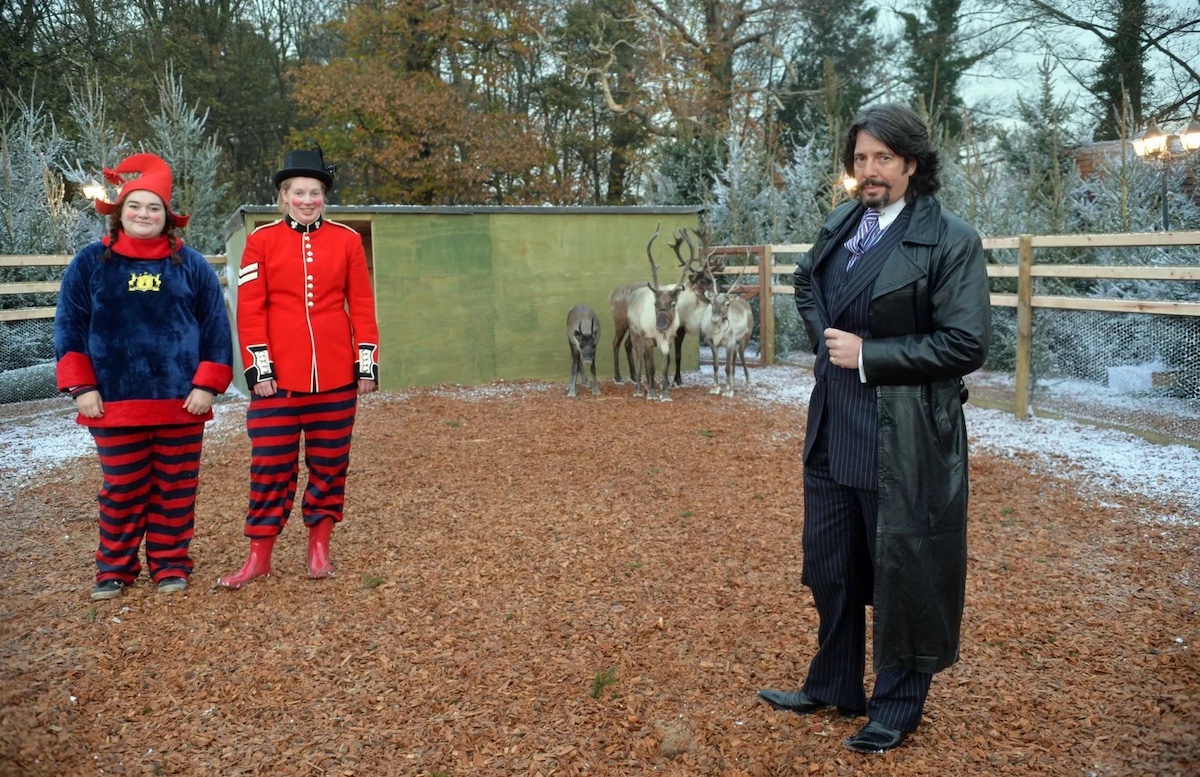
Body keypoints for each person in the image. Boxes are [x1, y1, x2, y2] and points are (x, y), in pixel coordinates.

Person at [758, 103, 991, 754]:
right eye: (860, 158)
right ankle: (834, 684)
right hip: (834, 427)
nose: (870, 170)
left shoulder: (950, 240)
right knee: (832, 566)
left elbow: (967, 342)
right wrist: (826, 342)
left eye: (883, 158)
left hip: (904, 436)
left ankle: (896, 708)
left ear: (912, 163)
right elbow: (806, 281)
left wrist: (869, 356)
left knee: (902, 573)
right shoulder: (842, 223)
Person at [55, 152, 234, 601]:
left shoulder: (191, 264)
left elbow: (216, 326)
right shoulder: (90, 262)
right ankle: (114, 569)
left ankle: (170, 564)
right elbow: (70, 326)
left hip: (181, 402)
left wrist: (206, 384)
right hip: (113, 402)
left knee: (175, 487)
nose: (143, 214)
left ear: (166, 217)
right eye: (135, 206)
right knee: (122, 488)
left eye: (154, 208)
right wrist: (82, 387)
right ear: (119, 211)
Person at [218, 146, 379, 590]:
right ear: (284, 196)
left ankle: (318, 549)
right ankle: (259, 557)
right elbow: (250, 310)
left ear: (323, 196)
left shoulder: (346, 240)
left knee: (330, 466)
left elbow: (362, 305)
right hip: (278, 381)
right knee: (270, 467)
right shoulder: (261, 241)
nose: (308, 200)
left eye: (315, 193)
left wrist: (366, 365)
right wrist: (260, 370)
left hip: (336, 377)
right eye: (299, 192)